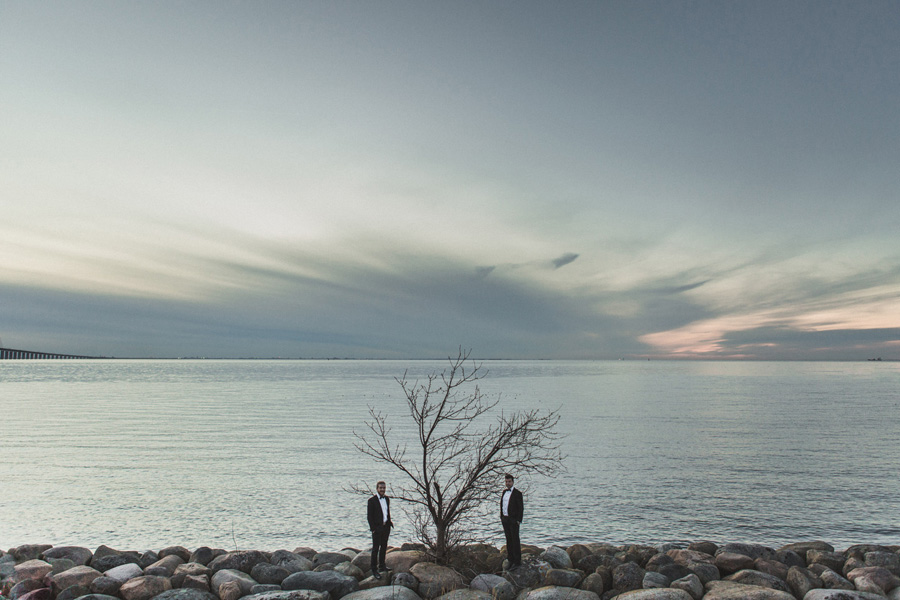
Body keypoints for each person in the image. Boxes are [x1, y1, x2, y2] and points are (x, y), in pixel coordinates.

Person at [367, 480, 393, 579]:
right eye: (380, 488)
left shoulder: (386, 499)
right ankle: (374, 569)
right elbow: (369, 517)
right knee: (375, 549)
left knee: (384, 547)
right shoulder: (371, 501)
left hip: (386, 527)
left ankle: (382, 566)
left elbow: (387, 512)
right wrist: (373, 529)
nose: (382, 490)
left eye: (384, 488)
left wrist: (389, 523)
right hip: (377, 528)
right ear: (377, 489)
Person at [500, 473, 524, 567]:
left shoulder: (517, 493)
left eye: (509, 481)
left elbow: (521, 508)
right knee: (508, 539)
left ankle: (517, 561)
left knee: (515, 540)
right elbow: (502, 505)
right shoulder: (504, 492)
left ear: (513, 482)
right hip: (505, 519)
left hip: (513, 520)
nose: (508, 483)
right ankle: (510, 558)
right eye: (506, 481)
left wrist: (518, 520)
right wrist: (501, 517)